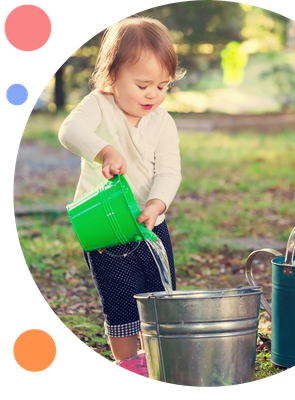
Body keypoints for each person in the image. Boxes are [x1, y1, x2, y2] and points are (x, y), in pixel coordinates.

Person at [59, 16, 186, 380]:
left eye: (162, 86)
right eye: (143, 84)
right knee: (121, 300)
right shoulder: (99, 104)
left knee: (160, 295)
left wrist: (156, 204)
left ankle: (157, 357)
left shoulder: (163, 122)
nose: (153, 95)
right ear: (111, 77)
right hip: (105, 228)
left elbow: (169, 171)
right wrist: (104, 151)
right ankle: (130, 365)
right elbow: (69, 131)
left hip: (149, 226)